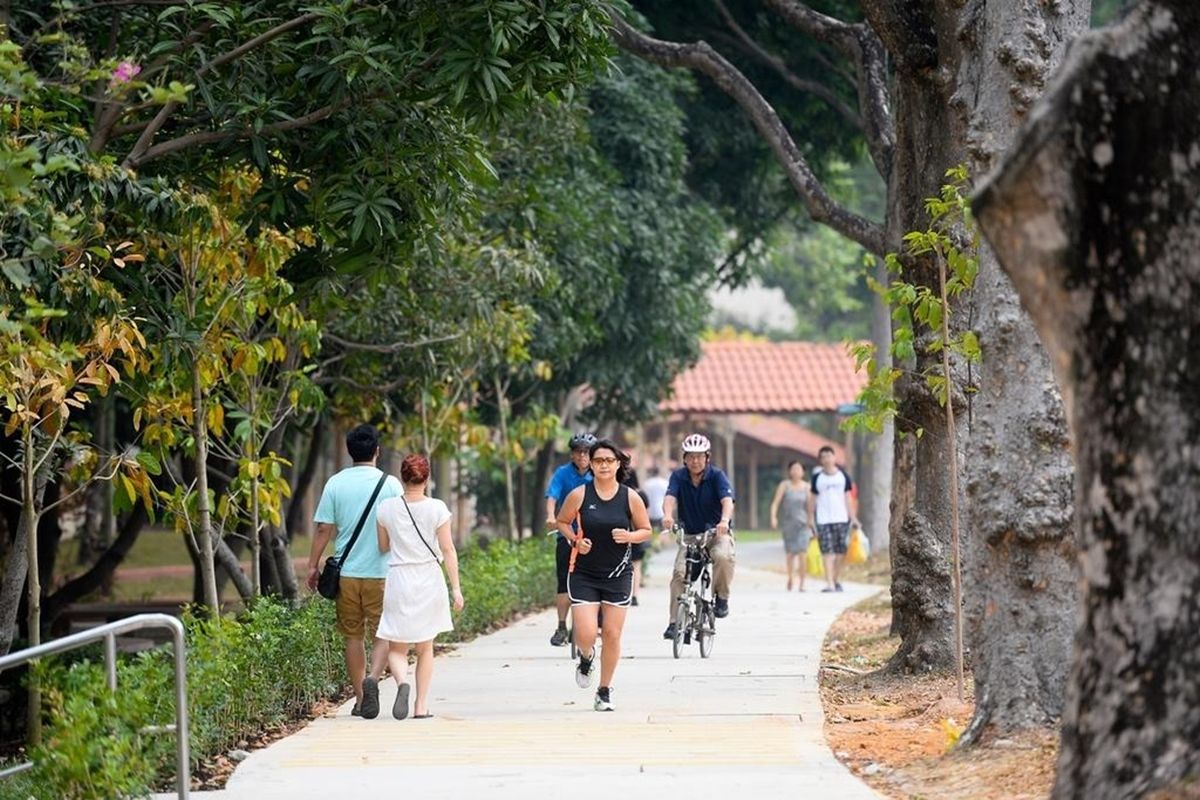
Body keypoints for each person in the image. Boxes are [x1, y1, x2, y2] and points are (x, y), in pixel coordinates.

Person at [306, 424, 402, 720]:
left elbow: (324, 528)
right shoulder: (391, 485)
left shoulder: (335, 483)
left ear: (350, 452)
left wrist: (312, 565)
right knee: (382, 634)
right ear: (377, 450)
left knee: (353, 636)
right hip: (382, 574)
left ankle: (361, 698)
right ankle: (373, 677)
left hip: (346, 576)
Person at [555, 439, 652, 712]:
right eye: (598, 461)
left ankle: (604, 690)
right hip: (584, 572)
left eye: (609, 460)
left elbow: (646, 529)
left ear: (618, 463)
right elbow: (562, 521)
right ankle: (586, 659)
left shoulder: (629, 496)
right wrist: (575, 540)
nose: (604, 465)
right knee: (584, 634)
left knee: (611, 633)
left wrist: (630, 536)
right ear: (591, 465)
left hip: (618, 574)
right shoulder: (579, 494)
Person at [374, 454, 463, 720]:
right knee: (425, 647)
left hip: (399, 578)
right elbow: (447, 549)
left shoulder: (386, 508)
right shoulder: (437, 508)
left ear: (402, 478)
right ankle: (420, 706)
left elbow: (383, 546)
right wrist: (456, 588)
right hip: (428, 578)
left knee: (397, 645)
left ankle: (402, 682)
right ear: (427, 478)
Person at [660, 434, 735, 640]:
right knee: (679, 573)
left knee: (723, 555)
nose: (695, 461)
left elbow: (727, 501)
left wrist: (724, 521)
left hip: (715, 533)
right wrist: (667, 515)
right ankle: (674, 623)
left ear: (707, 457)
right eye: (691, 456)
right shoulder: (678, 477)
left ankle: (721, 598)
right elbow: (669, 498)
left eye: (700, 456)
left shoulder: (717, 476)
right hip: (691, 535)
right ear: (684, 458)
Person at [544, 432, 596, 646]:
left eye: (587, 452)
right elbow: (552, 496)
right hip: (567, 534)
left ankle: (593, 622)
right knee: (564, 582)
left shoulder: (598, 473)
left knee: (596, 579)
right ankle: (562, 626)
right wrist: (550, 516)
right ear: (572, 455)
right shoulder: (563, 473)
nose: (582, 456)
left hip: (593, 535)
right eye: (578, 451)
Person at [807, 445, 859, 592]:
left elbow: (848, 498)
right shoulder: (817, 478)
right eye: (823, 457)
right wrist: (810, 517)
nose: (827, 459)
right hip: (823, 520)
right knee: (827, 551)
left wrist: (853, 517)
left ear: (834, 457)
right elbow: (812, 499)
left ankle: (836, 579)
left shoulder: (843, 476)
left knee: (841, 551)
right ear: (820, 460)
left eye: (829, 455)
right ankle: (829, 583)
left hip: (841, 518)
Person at [769, 461, 813, 591]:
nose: (796, 471)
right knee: (790, 554)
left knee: (802, 553)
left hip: (803, 525)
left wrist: (811, 521)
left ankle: (802, 582)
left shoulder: (807, 487)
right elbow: (775, 503)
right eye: (793, 469)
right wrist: (773, 517)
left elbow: (810, 507)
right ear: (789, 471)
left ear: (803, 472)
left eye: (799, 469)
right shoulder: (784, 486)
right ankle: (790, 577)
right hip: (788, 524)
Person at [621, 467, 649, 607]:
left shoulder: (619, 493)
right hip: (637, 533)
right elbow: (645, 515)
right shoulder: (641, 494)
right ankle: (635, 595)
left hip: (621, 534)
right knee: (636, 566)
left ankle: (623, 593)